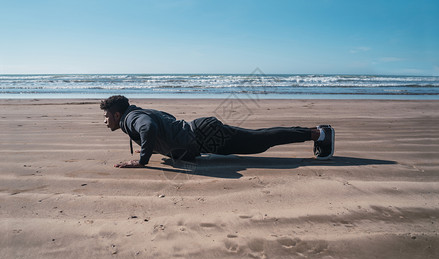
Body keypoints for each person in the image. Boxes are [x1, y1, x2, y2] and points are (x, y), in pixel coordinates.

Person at [100, 95, 335, 168]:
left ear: (117, 115)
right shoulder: (138, 112)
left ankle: (318, 134)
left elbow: (149, 128)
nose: (105, 120)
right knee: (259, 140)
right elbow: (166, 122)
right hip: (202, 133)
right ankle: (316, 133)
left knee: (261, 140)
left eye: (106, 115)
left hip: (203, 135)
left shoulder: (131, 118)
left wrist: (142, 161)